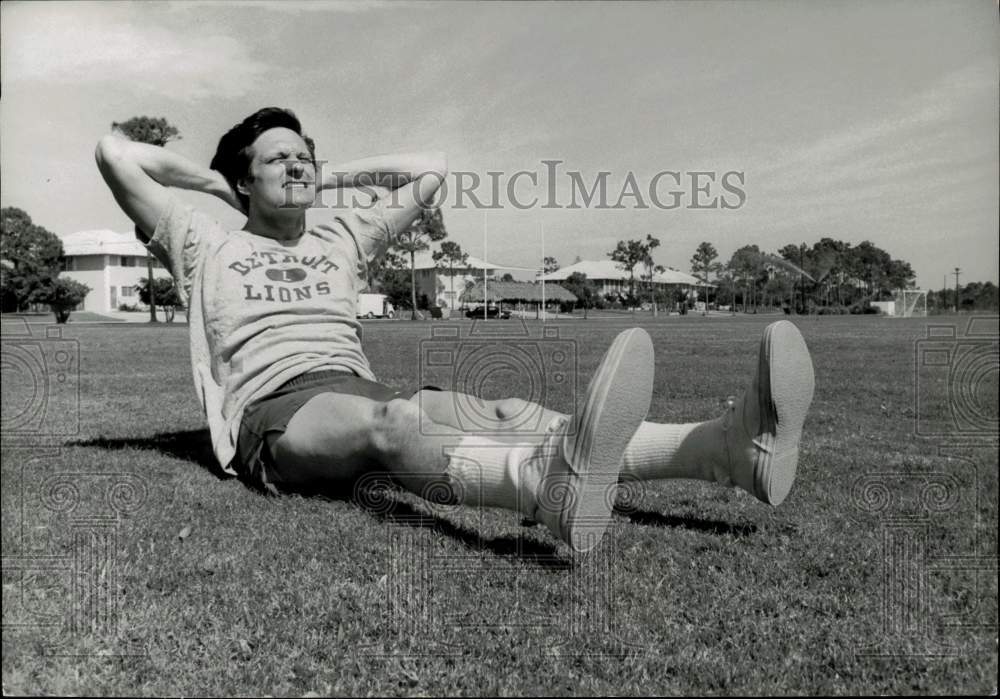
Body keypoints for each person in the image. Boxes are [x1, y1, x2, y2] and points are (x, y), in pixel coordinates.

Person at [95, 107, 815, 554]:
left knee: (509, 411)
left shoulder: (342, 235)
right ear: (244, 181)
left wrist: (327, 174)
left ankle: (725, 448)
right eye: (277, 156)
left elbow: (431, 170)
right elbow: (115, 152)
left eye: (303, 152)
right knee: (397, 419)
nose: (297, 162)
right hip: (274, 413)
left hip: (354, 386)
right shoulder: (204, 242)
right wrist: (220, 184)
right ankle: (539, 488)